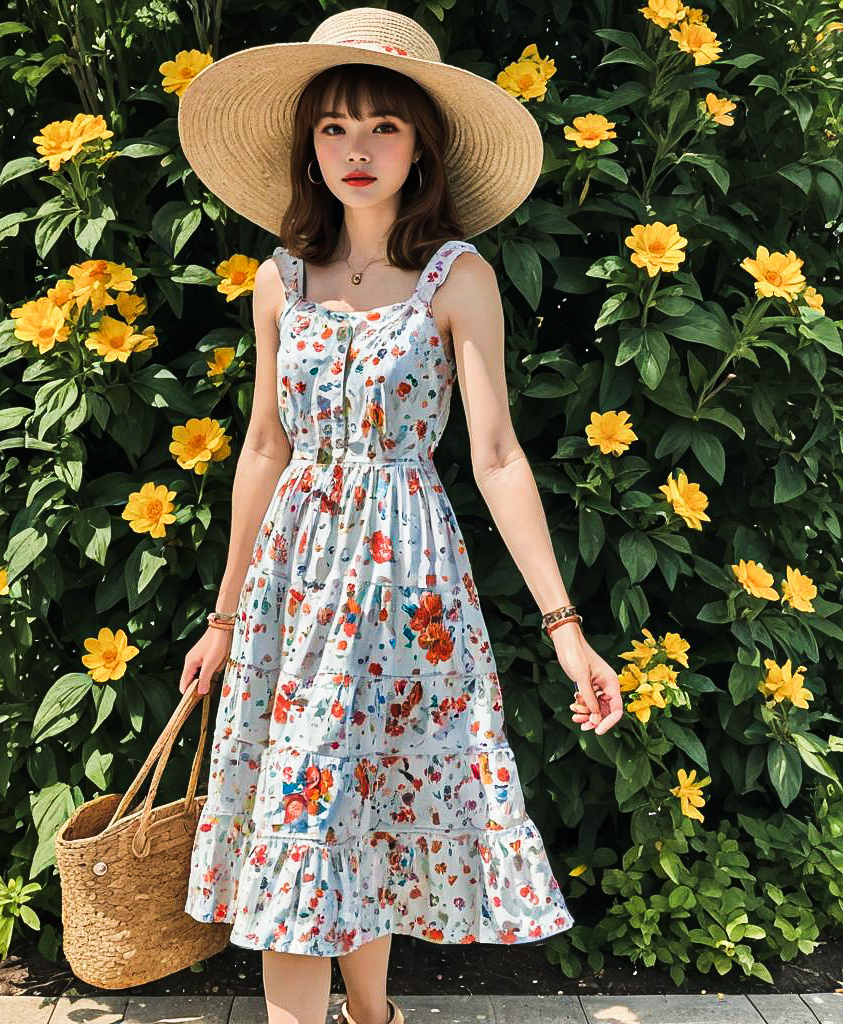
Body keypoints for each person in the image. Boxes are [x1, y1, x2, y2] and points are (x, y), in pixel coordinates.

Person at [174, 8, 624, 1024]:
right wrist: (221, 613)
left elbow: (496, 454)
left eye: (381, 125)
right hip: (296, 581)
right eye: (333, 127)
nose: (355, 150)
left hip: (406, 582)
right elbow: (261, 447)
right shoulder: (276, 283)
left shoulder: (454, 277)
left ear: (420, 142)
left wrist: (565, 630)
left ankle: (372, 1014)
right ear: (308, 149)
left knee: (358, 810)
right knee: (301, 810)